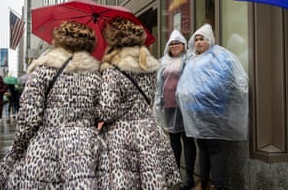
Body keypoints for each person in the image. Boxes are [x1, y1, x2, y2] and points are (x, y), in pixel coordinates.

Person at [0, 21, 104, 189]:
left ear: (58, 41)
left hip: (47, 148)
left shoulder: (44, 70)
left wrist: (20, 146)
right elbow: (102, 112)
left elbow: (29, 117)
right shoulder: (96, 75)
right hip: (87, 148)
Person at [97, 17, 181, 189]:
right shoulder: (148, 67)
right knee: (150, 182)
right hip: (149, 132)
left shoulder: (112, 71)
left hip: (120, 138)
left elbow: (108, 111)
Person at [176, 23, 248, 190]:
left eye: (202, 39)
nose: (199, 42)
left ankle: (218, 184)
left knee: (214, 148)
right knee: (202, 148)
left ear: (210, 40)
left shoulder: (219, 56)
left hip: (212, 112)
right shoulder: (193, 59)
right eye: (197, 39)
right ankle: (204, 182)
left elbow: (223, 81)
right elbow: (185, 83)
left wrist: (198, 93)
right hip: (195, 112)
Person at [154, 29, 196, 189]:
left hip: (186, 107)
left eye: (177, 43)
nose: (174, 46)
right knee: (173, 141)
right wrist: (158, 102)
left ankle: (189, 177)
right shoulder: (164, 61)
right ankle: (175, 174)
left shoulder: (189, 59)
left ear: (184, 45)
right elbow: (159, 83)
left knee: (188, 140)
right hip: (170, 106)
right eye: (172, 44)